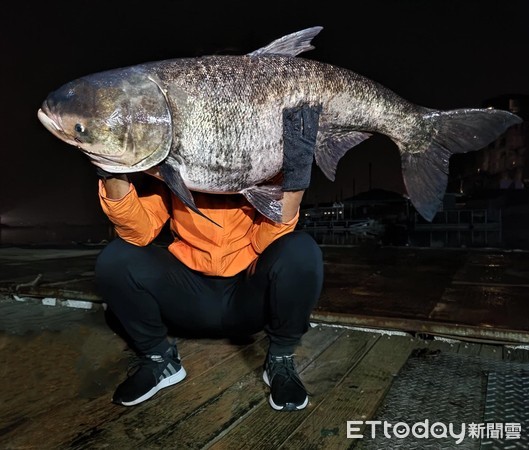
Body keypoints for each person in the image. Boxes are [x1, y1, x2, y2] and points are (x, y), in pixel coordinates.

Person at [94, 104, 324, 412]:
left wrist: (295, 176)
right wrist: (112, 168)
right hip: (187, 298)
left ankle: (280, 359)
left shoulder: (264, 166)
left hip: (246, 302)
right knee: (116, 257)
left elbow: (266, 242)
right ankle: (159, 359)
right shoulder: (169, 168)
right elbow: (139, 232)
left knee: (301, 249)